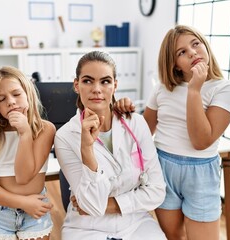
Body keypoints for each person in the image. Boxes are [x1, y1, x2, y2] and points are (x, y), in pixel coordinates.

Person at [115, 25, 230, 240]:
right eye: (181, 52)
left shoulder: (224, 89)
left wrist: (194, 89)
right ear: (174, 64)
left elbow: (201, 141)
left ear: (205, 46)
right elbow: (142, 135)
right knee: (173, 237)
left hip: (200, 172)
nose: (192, 52)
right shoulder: (163, 88)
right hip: (162, 168)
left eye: (195, 44)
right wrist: (125, 112)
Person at [54, 51, 167, 240]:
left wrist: (109, 205)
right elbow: (91, 205)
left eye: (105, 81)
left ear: (115, 85)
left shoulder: (136, 123)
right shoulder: (65, 136)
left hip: (135, 222)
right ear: (76, 85)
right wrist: (86, 150)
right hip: (86, 227)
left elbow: (157, 191)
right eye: (88, 81)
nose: (97, 89)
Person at [0, 66, 56, 240]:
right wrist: (22, 202)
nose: (11, 102)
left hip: (34, 212)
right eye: (1, 99)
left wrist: (25, 134)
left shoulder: (45, 130)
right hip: (0, 213)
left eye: (16, 94)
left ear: (28, 93)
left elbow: (23, 177)